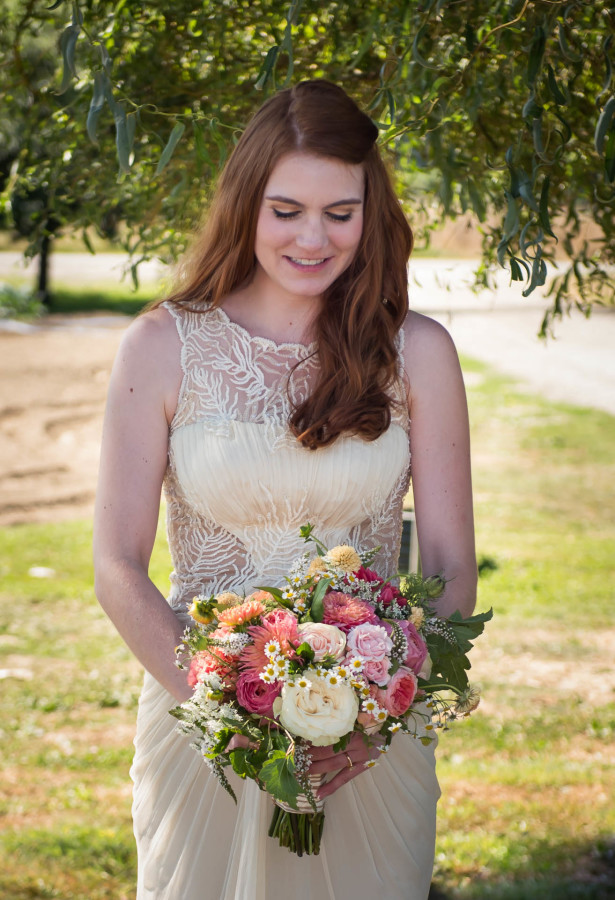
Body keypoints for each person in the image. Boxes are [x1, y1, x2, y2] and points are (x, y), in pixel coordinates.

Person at [93, 79, 477, 900]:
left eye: (340, 212)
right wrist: (230, 715)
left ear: (371, 215)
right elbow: (116, 567)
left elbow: (447, 562)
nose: (313, 237)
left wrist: (374, 723)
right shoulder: (162, 346)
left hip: (372, 748)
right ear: (245, 205)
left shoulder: (419, 352)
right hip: (200, 733)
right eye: (286, 210)